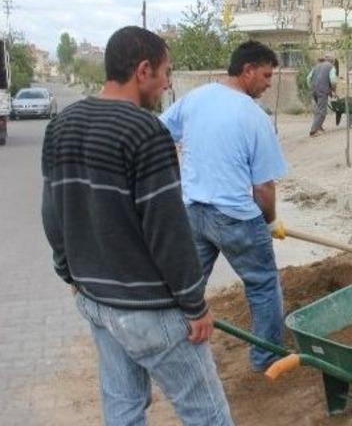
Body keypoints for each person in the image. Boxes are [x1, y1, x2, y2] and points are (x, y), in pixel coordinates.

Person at [41, 26, 233, 425]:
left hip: (96, 302)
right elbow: (169, 231)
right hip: (149, 312)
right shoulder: (146, 133)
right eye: (166, 72)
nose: (167, 84)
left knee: (123, 408)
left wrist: (68, 272)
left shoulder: (62, 125)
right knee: (208, 415)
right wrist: (194, 305)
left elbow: (52, 212)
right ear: (143, 70)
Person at [160, 40, 289, 374]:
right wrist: (271, 221)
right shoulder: (254, 117)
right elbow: (263, 187)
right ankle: (268, 358)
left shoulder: (197, 97)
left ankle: (171, 346)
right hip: (235, 219)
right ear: (247, 71)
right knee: (262, 285)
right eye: (265, 75)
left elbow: (158, 133)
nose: (268, 83)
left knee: (189, 285)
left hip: (194, 213)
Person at [307, 53, 338, 136]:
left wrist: (312, 87)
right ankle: (313, 131)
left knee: (318, 109)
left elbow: (308, 78)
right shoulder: (331, 67)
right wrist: (333, 90)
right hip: (322, 91)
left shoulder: (316, 66)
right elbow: (333, 81)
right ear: (333, 61)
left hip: (314, 90)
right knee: (322, 111)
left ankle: (319, 127)